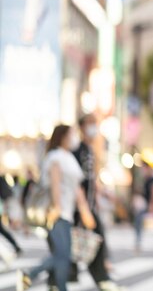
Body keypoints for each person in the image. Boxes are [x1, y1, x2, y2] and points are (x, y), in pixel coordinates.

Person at [16, 124, 96, 291]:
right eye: (71, 134)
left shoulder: (70, 158)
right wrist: (57, 207)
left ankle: (39, 279)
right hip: (55, 212)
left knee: (63, 256)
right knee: (62, 254)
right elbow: (55, 183)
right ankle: (33, 277)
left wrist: (85, 211)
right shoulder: (55, 157)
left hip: (66, 213)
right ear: (63, 136)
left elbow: (77, 187)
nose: (74, 138)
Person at [68, 114, 124, 291]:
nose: (94, 127)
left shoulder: (90, 150)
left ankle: (100, 278)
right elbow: (76, 182)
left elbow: (92, 180)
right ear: (82, 126)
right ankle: (102, 279)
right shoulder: (77, 149)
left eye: (95, 123)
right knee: (86, 242)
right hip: (78, 207)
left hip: (88, 206)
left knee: (91, 241)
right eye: (90, 124)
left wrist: (103, 195)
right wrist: (83, 207)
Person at [0, 174, 22, 256]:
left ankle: (16, 246)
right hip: (4, 203)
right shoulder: (2, 178)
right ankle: (16, 246)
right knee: (2, 230)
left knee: (2, 230)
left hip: (3, 203)